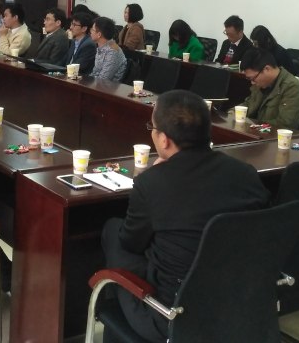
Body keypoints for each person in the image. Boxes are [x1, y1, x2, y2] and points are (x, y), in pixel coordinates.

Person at [101, 90, 269, 342]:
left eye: (152, 127)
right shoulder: (245, 173)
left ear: (164, 140)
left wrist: (155, 177)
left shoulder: (151, 183)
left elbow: (131, 243)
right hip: (238, 304)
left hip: (171, 316)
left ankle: (115, 321)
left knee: (113, 231)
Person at [239, 48, 299, 129]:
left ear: (267, 69)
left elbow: (286, 123)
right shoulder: (261, 83)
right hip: (256, 130)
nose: (252, 82)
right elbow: (248, 104)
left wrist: (255, 125)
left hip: (274, 134)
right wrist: (232, 113)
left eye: (253, 78)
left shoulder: (292, 87)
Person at [89, 17, 127, 81]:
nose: (90, 32)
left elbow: (104, 79)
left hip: (108, 86)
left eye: (92, 30)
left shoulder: (113, 51)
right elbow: (95, 72)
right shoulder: (101, 47)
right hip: (97, 83)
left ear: (99, 34)